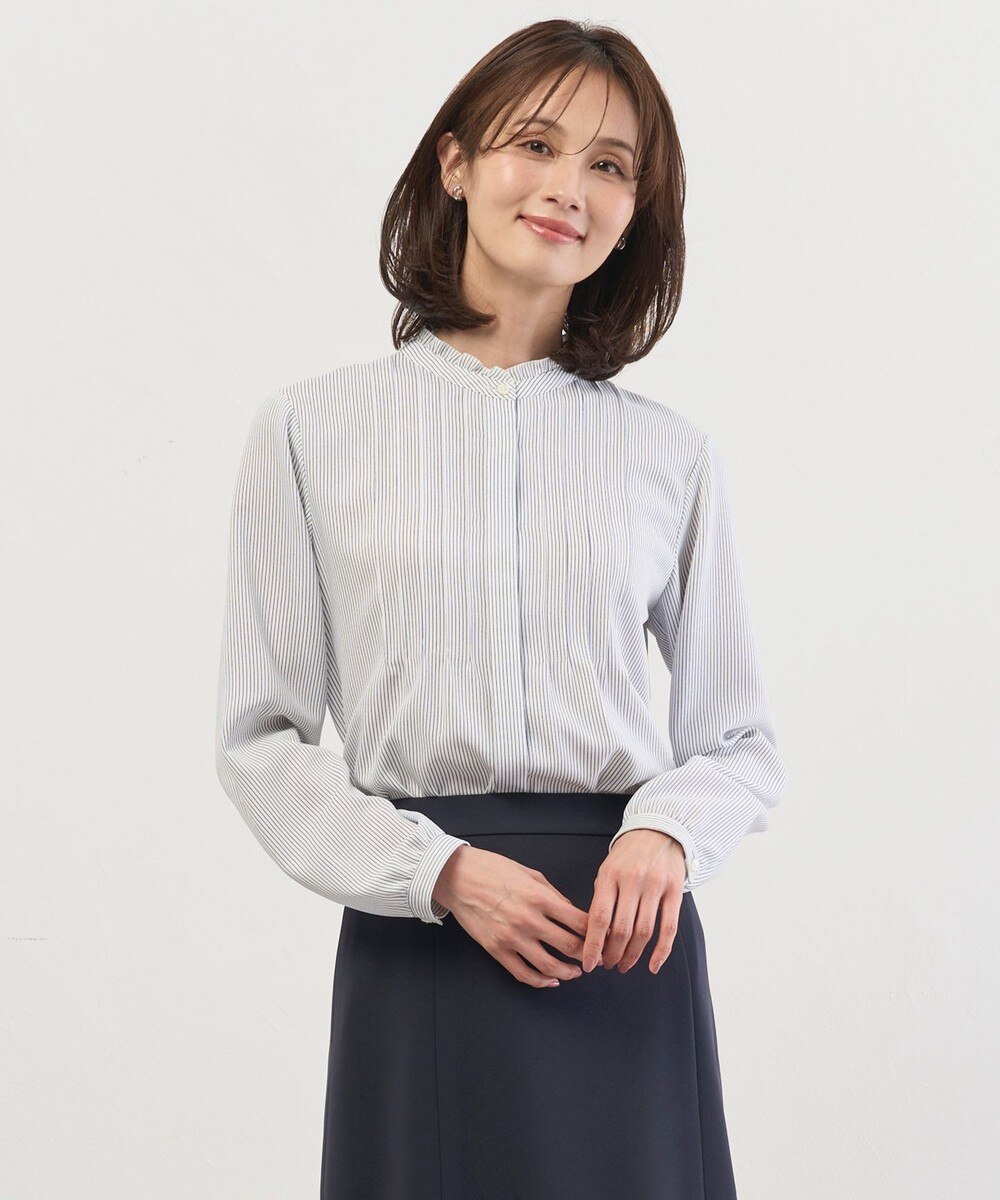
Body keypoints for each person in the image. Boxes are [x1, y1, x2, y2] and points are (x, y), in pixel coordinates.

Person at [215, 18, 786, 1200]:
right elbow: (259, 741)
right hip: (422, 920)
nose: (569, 187)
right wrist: (439, 873)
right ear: (456, 163)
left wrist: (664, 835)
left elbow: (738, 740)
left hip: (619, 934)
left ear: (635, 210)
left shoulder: (669, 457)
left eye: (610, 164)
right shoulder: (309, 431)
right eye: (536, 144)